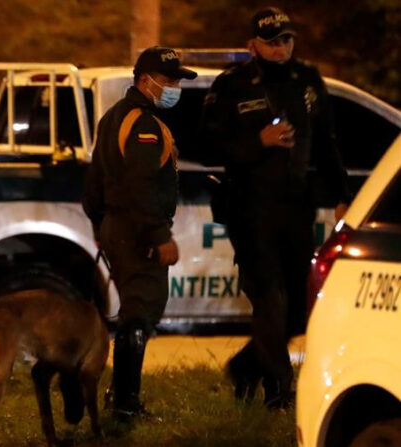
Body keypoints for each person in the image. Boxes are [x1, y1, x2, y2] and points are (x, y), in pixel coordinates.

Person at [200, 7, 350, 409]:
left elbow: (327, 141)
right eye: (271, 41)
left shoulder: (308, 80)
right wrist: (258, 142)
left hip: (296, 206)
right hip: (249, 207)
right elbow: (208, 146)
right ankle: (280, 390)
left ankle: (248, 366)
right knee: (268, 299)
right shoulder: (232, 85)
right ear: (253, 46)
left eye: (286, 39)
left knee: (301, 306)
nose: (281, 47)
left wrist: (342, 193)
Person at [83, 47, 196, 421]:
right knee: (140, 313)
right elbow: (141, 185)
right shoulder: (144, 125)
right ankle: (125, 404)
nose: (173, 87)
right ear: (143, 80)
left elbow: (94, 181)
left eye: (177, 81)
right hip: (137, 233)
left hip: (118, 229)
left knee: (135, 309)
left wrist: (100, 226)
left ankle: (120, 396)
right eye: (167, 81)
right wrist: (159, 235)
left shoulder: (115, 117)